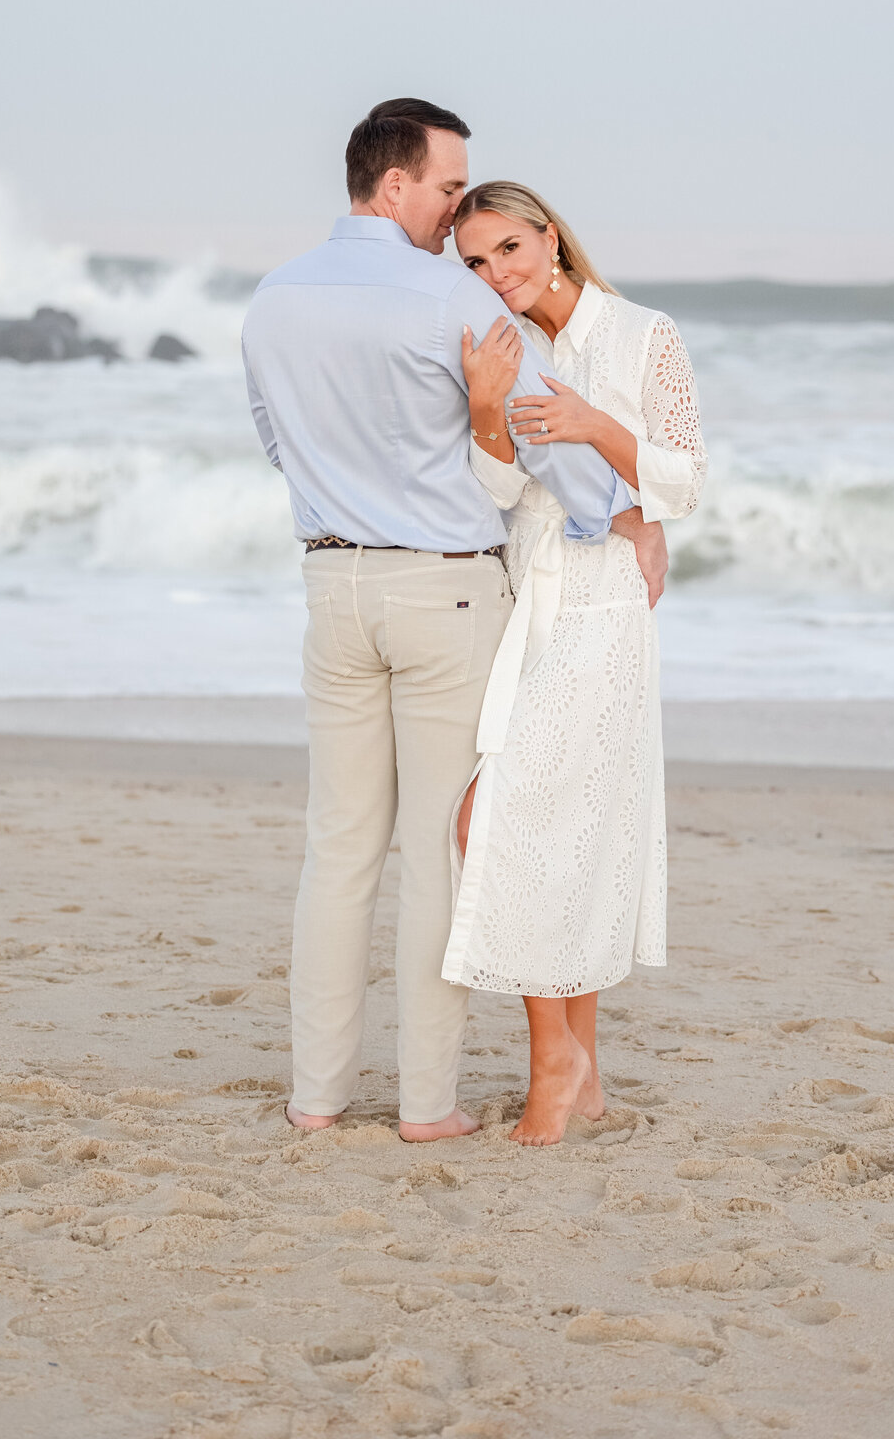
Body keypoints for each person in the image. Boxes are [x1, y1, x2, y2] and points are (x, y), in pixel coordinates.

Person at [242, 102, 639, 1142]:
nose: (456, 209)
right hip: (447, 594)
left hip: (333, 589)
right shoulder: (453, 301)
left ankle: (316, 1099)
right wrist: (621, 513)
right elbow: (547, 435)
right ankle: (426, 1107)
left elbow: (276, 444)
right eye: (447, 189)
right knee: (436, 851)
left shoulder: (273, 298)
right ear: (393, 188)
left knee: (338, 849)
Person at [441, 180, 707, 1146]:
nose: (495, 274)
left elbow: (686, 473)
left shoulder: (642, 335)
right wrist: (482, 407)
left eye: (508, 249)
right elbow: (498, 489)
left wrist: (596, 425)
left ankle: (557, 1060)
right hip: (527, 593)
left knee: (531, 818)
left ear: (549, 238)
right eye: (473, 261)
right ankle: (574, 1064)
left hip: (602, 603)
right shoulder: (500, 346)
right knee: (520, 817)